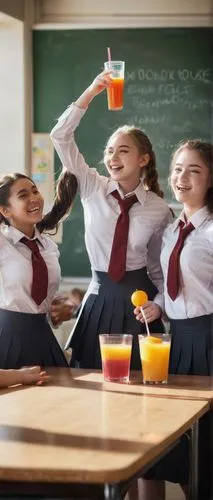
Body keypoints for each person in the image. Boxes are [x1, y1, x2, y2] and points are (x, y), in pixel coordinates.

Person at [50, 69, 172, 370]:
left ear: (143, 159)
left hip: (139, 305)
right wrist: (91, 91)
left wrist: (160, 305)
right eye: (109, 151)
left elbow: (160, 269)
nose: (112, 156)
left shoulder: (159, 209)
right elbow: (60, 136)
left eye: (123, 150)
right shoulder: (93, 186)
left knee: (143, 385)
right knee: (90, 384)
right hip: (97, 300)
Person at [134, 139, 213, 499]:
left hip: (208, 340)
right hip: (175, 341)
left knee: (207, 443)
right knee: (174, 441)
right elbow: (176, 288)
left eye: (194, 170)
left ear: (210, 179)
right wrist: (159, 306)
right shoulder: (171, 230)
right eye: (178, 168)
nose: (182, 176)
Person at [0, 170, 77, 369]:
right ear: (5, 210)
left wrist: (55, 309)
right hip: (7, 337)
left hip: (43, 337)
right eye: (23, 195)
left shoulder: (48, 247)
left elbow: (42, 296)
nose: (34, 198)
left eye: (35, 191)